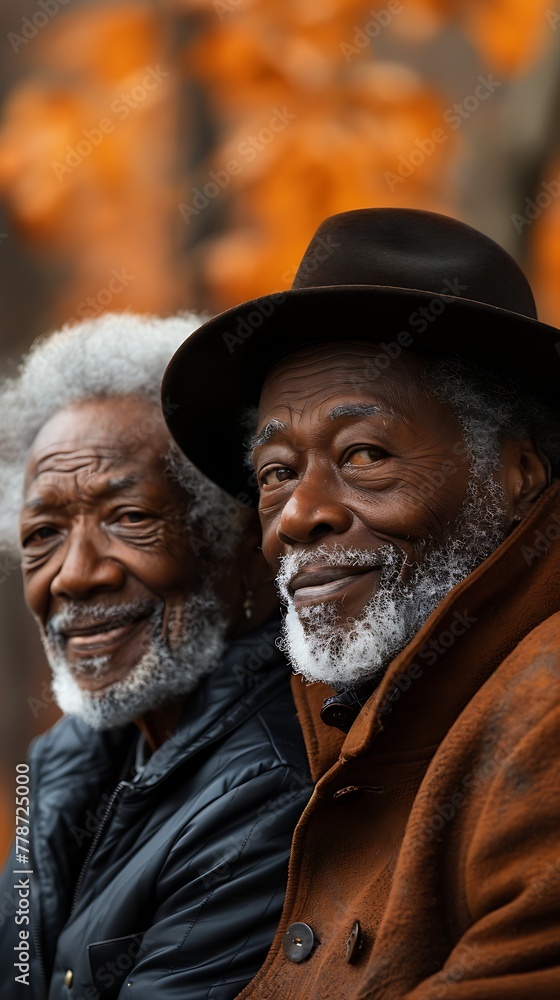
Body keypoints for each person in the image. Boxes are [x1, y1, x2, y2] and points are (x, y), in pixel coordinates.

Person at [162, 208, 560, 998]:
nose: (300, 514)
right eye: (275, 472)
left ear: (517, 476)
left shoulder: (543, 715)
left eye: (364, 454)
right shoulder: (344, 719)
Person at [0, 312, 312, 999]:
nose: (75, 576)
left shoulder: (269, 787)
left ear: (240, 541)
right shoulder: (67, 758)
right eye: (44, 533)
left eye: (130, 517)